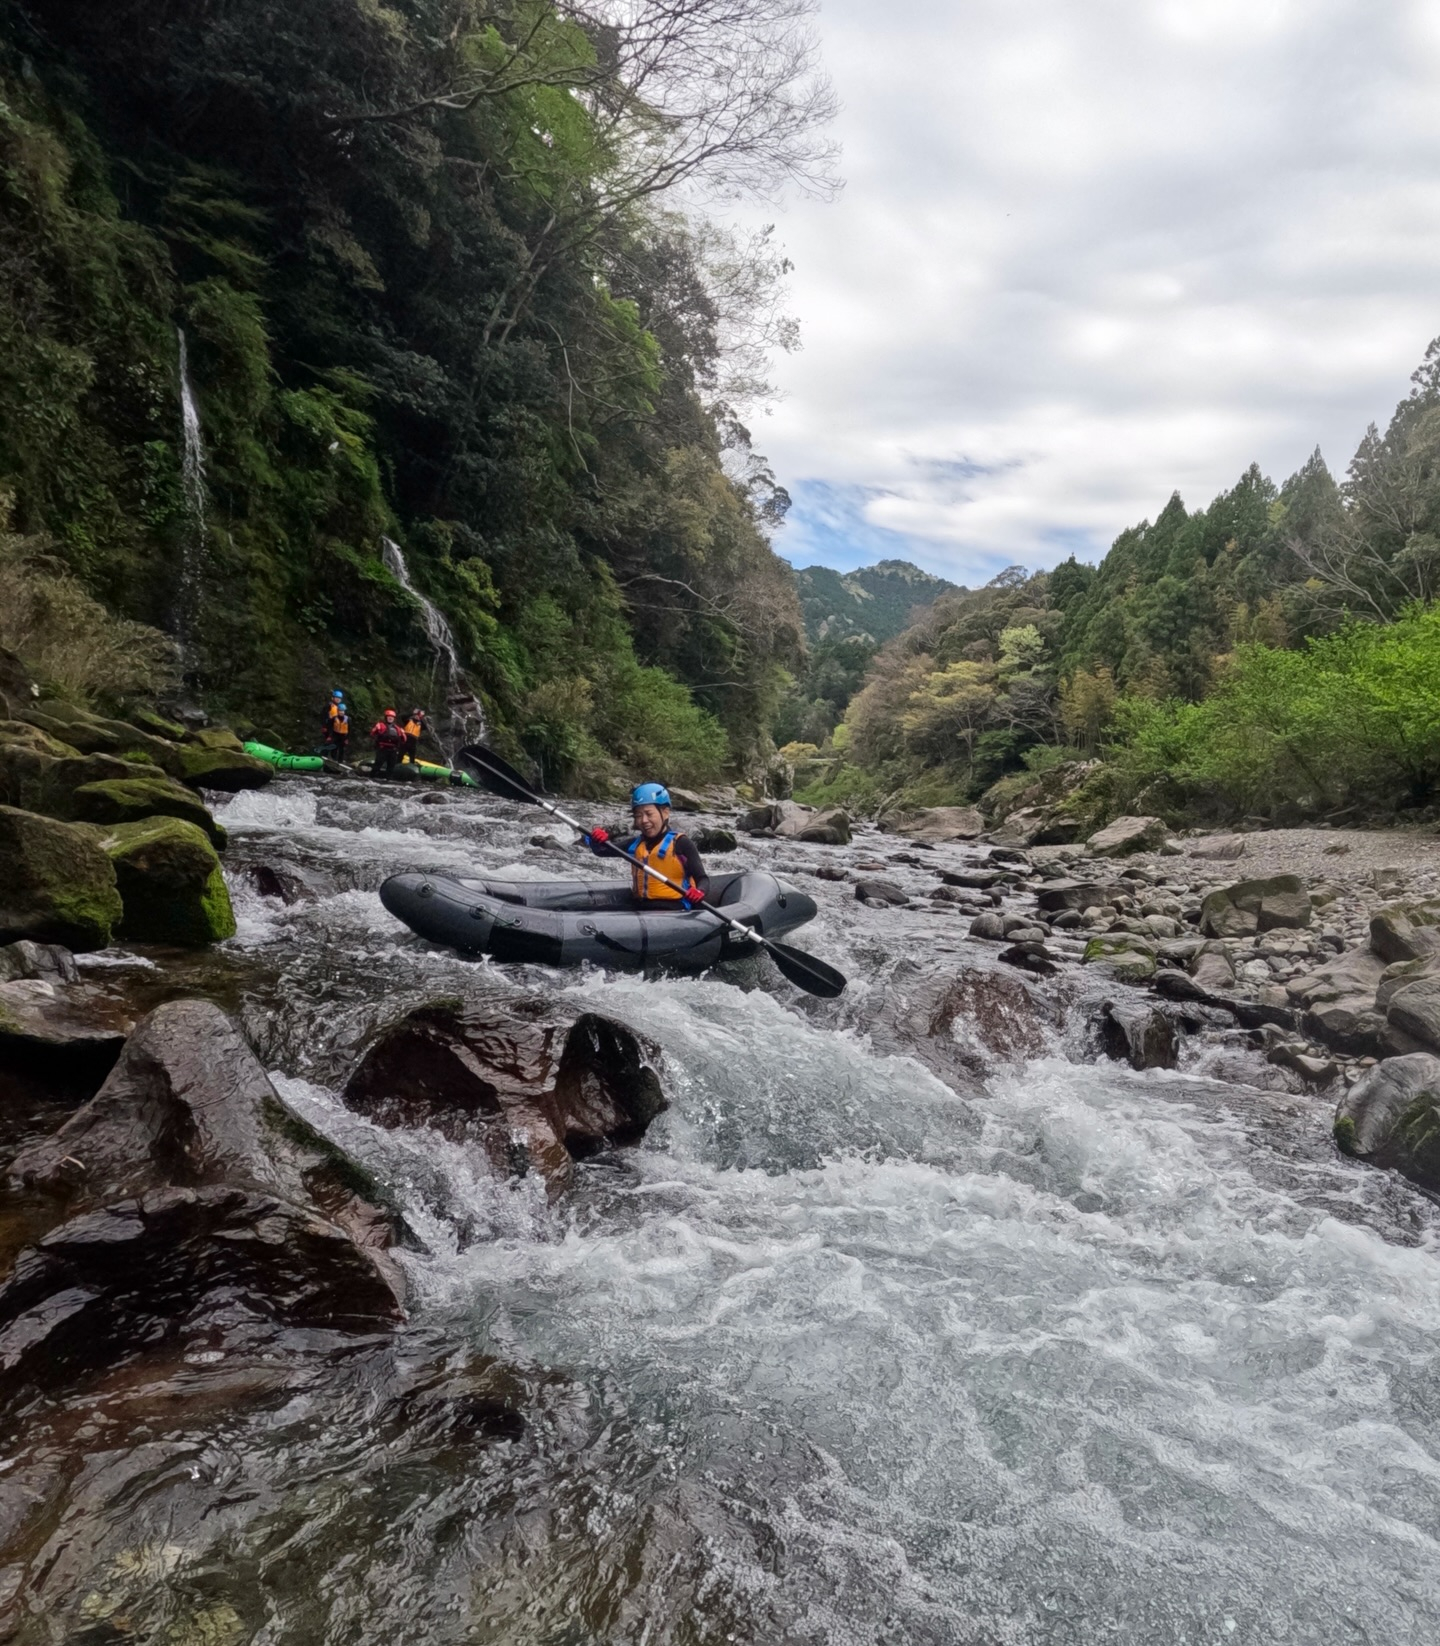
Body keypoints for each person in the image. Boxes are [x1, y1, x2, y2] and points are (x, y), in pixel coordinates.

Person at [584, 783, 709, 906]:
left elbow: (702, 879)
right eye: (638, 815)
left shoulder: (681, 843)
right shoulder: (635, 844)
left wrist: (699, 891)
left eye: (649, 814)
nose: (643, 820)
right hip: (641, 907)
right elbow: (601, 851)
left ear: (665, 812)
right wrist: (596, 839)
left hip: (674, 909)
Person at [370, 708, 407, 778]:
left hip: (393, 750)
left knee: (391, 767)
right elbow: (372, 734)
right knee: (377, 765)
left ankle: (388, 780)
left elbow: (404, 740)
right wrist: (376, 729)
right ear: (386, 717)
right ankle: (371, 778)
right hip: (382, 749)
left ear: (394, 718)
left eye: (392, 717)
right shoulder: (380, 725)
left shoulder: (397, 728)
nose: (390, 718)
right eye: (389, 717)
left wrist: (403, 734)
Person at [322, 690, 349, 761]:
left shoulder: (340, 707)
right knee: (328, 743)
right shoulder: (329, 705)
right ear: (333, 698)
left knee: (335, 745)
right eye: (336, 697)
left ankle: (333, 759)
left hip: (336, 729)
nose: (338, 699)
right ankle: (323, 757)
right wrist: (324, 726)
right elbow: (323, 716)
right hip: (328, 727)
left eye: (339, 698)